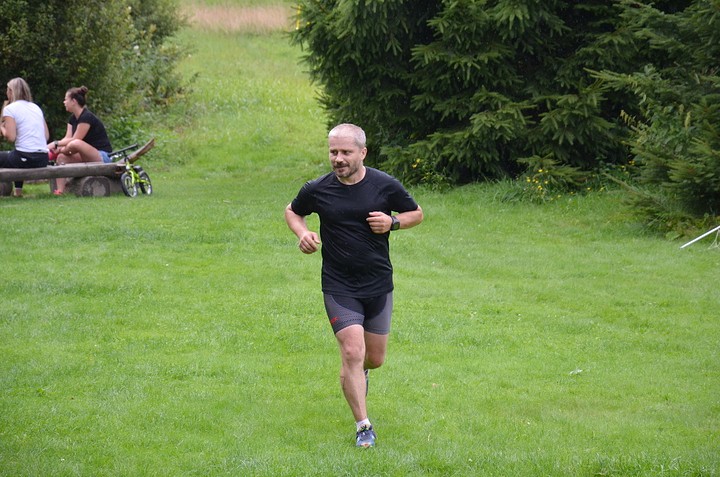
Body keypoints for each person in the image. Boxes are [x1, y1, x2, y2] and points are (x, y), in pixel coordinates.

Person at [285, 123, 423, 448]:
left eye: (346, 152)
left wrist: (393, 222)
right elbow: (292, 211)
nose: (338, 158)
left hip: (378, 283)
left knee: (373, 359)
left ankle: (358, 372)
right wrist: (303, 233)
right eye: (333, 152)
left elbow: (416, 213)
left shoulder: (384, 185)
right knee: (352, 351)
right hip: (339, 285)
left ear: (362, 153)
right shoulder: (317, 188)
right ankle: (364, 426)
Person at [48, 85, 112, 195]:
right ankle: (59, 191)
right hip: (83, 155)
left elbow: (76, 139)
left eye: (65, 99)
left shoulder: (86, 116)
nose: (64, 102)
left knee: (76, 143)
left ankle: (60, 152)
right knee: (61, 157)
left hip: (101, 155)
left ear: (73, 101)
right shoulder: (72, 119)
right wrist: (58, 147)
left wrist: (56, 144)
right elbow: (67, 138)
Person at [0, 78, 50, 198]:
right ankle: (18, 192)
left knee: (16, 156)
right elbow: (46, 136)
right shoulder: (36, 108)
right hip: (43, 158)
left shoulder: (10, 109)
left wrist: (2, 128)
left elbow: (11, 137)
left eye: (7, 90)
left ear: (11, 91)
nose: (6, 93)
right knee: (15, 154)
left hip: (26, 157)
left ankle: (13, 191)